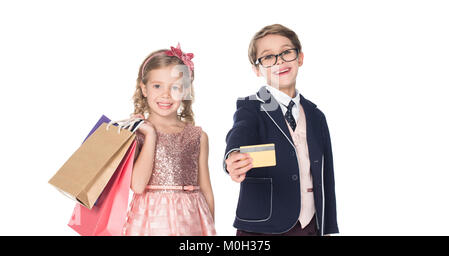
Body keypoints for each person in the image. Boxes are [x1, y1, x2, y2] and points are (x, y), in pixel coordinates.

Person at [224, 24, 338, 236]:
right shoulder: (251, 107)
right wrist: (233, 155)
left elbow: (325, 173)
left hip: (310, 225)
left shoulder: (316, 115)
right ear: (257, 69)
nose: (280, 61)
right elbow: (239, 132)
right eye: (268, 57)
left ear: (300, 58)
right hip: (263, 228)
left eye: (286, 52)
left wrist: (326, 225)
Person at [122, 43, 216, 236]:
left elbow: (206, 189)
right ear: (144, 88)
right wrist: (150, 136)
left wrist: (210, 228)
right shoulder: (136, 133)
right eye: (157, 86)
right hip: (150, 222)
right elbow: (138, 185)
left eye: (175, 87)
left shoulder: (197, 136)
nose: (166, 94)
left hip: (191, 221)